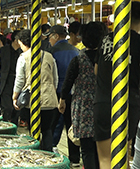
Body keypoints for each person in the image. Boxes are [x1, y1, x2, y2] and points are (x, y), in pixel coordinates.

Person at [94, 2, 140, 168]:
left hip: (102, 102)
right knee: (123, 158)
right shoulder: (138, 41)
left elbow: (96, 71)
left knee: (106, 159)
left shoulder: (106, 39)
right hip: (129, 103)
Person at [59, 22, 105, 169]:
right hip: (102, 106)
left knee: (86, 149)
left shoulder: (78, 59)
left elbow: (68, 82)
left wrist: (62, 100)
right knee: (102, 149)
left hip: (82, 107)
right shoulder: (107, 60)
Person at [12, 29, 59, 152]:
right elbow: (55, 79)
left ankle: (35, 154)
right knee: (47, 129)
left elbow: (19, 80)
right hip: (50, 100)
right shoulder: (49, 56)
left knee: (33, 129)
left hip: (31, 100)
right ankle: (48, 154)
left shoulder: (23, 58)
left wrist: (15, 96)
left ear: (22, 42)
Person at [48, 25, 80, 167]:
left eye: (49, 37)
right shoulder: (76, 51)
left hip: (57, 92)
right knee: (72, 126)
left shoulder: (52, 52)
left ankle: (52, 151)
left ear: (55, 36)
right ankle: (74, 159)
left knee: (54, 124)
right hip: (74, 93)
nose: (49, 40)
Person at [0, 30, 22, 124]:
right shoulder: (3, 51)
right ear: (16, 40)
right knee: (7, 106)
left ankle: (14, 125)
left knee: (17, 107)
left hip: (18, 81)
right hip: (6, 81)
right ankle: (5, 123)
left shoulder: (22, 52)